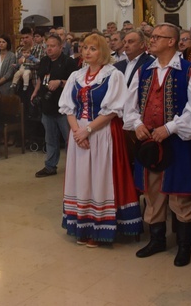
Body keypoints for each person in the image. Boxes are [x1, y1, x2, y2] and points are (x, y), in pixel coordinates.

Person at [123, 23, 191, 266]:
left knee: (180, 195)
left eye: (158, 37)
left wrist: (169, 128)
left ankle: (184, 246)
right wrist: (136, 123)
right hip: (148, 145)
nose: (153, 40)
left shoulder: (190, 72)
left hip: (178, 142)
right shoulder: (144, 71)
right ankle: (157, 239)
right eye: (152, 36)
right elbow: (130, 105)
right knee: (152, 192)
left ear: (172, 42)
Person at [59, 33, 143, 246]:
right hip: (79, 132)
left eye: (93, 49)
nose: (87, 52)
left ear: (103, 52)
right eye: (85, 48)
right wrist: (77, 132)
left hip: (102, 131)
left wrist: (87, 129)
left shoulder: (113, 75)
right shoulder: (76, 76)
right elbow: (68, 107)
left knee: (100, 177)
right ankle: (83, 224)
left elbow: (114, 110)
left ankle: (100, 227)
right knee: (82, 177)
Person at [32, 34, 78, 178]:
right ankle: (50, 166)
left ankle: (76, 168)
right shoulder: (45, 60)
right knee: (50, 138)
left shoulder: (68, 62)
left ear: (60, 47)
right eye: (48, 46)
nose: (49, 49)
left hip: (64, 108)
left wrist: (60, 82)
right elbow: (41, 78)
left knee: (69, 139)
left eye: (53, 46)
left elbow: (75, 82)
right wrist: (35, 92)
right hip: (47, 105)